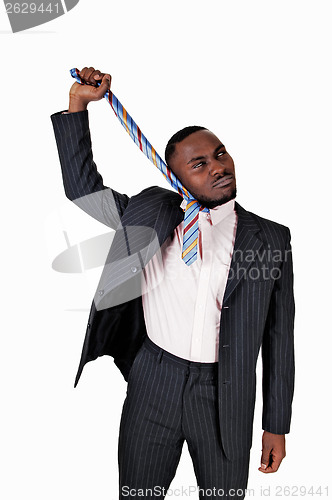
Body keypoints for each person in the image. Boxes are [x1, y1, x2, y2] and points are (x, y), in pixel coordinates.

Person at [51, 66, 295, 500]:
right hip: (153, 381)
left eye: (221, 154)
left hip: (226, 395)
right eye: (199, 164)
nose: (218, 167)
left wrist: (276, 424)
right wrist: (77, 107)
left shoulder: (271, 239)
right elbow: (83, 191)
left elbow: (279, 338)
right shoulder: (151, 212)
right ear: (176, 176)